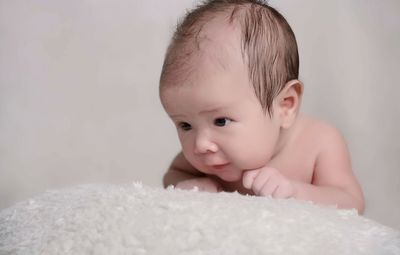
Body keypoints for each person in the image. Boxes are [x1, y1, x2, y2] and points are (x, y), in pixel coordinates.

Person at [158, 0, 365, 213]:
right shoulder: (205, 155)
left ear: (285, 105)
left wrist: (296, 193)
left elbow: (352, 202)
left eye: (221, 121)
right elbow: (172, 175)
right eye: (185, 125)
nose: (200, 145)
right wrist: (188, 186)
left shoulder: (319, 143)